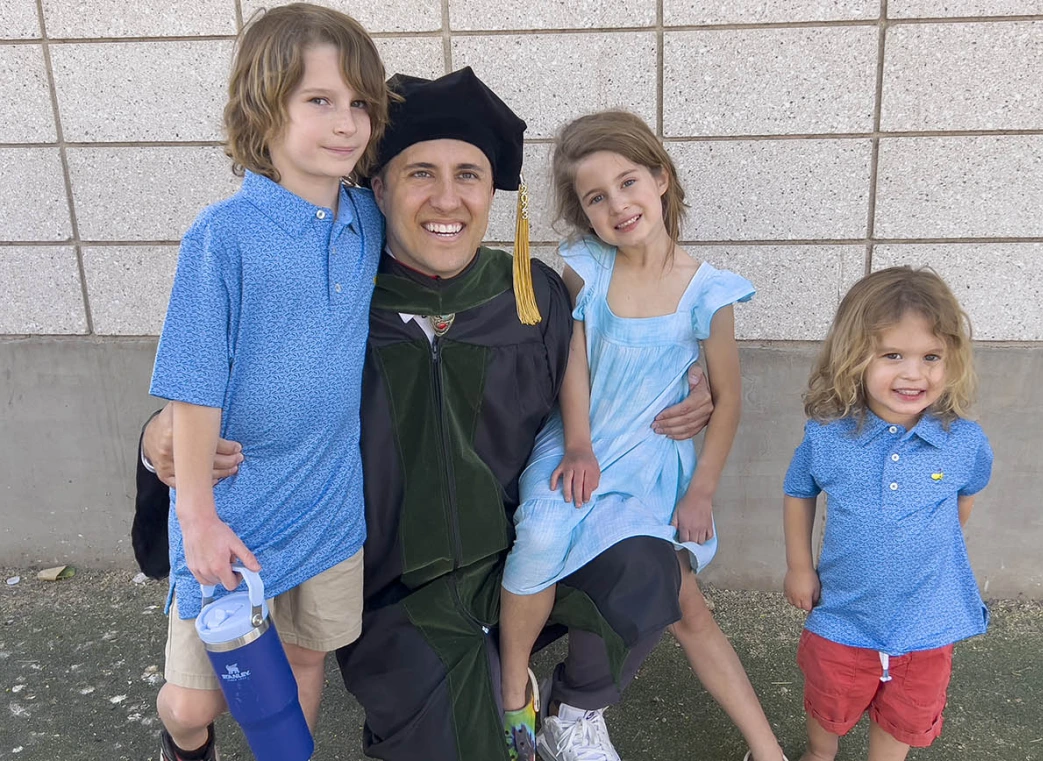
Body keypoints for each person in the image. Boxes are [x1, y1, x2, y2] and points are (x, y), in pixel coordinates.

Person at [136, 68, 716, 761]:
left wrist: (685, 384)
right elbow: (219, 398)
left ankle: (571, 709)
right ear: (375, 187)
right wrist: (154, 441)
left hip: (521, 562)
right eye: (420, 174)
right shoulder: (333, 298)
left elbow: (599, 392)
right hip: (398, 594)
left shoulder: (528, 298)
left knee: (646, 564)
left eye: (469, 174)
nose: (449, 198)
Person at [497, 110, 788, 761]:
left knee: (679, 599)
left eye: (628, 182)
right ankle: (513, 685)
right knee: (543, 532)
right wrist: (576, 442)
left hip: (652, 468)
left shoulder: (707, 291)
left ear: (661, 178)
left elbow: (728, 395)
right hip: (584, 444)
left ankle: (762, 749)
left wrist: (703, 490)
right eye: (596, 197)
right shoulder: (587, 269)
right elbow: (572, 360)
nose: (617, 205)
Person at [144, 5, 390, 760]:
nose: (346, 121)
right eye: (319, 100)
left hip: (326, 500)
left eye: (359, 103)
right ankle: (187, 744)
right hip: (231, 511)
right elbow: (190, 380)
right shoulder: (223, 235)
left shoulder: (367, 220)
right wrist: (197, 522)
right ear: (264, 104)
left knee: (304, 662)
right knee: (195, 699)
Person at [782, 266, 994, 761]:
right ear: (854, 357)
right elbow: (798, 491)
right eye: (892, 355)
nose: (914, 373)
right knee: (828, 697)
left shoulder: (962, 441)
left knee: (909, 708)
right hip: (841, 613)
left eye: (931, 357)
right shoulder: (829, 436)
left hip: (927, 619)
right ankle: (819, 753)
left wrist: (939, 541)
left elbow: (966, 494)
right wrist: (798, 565)